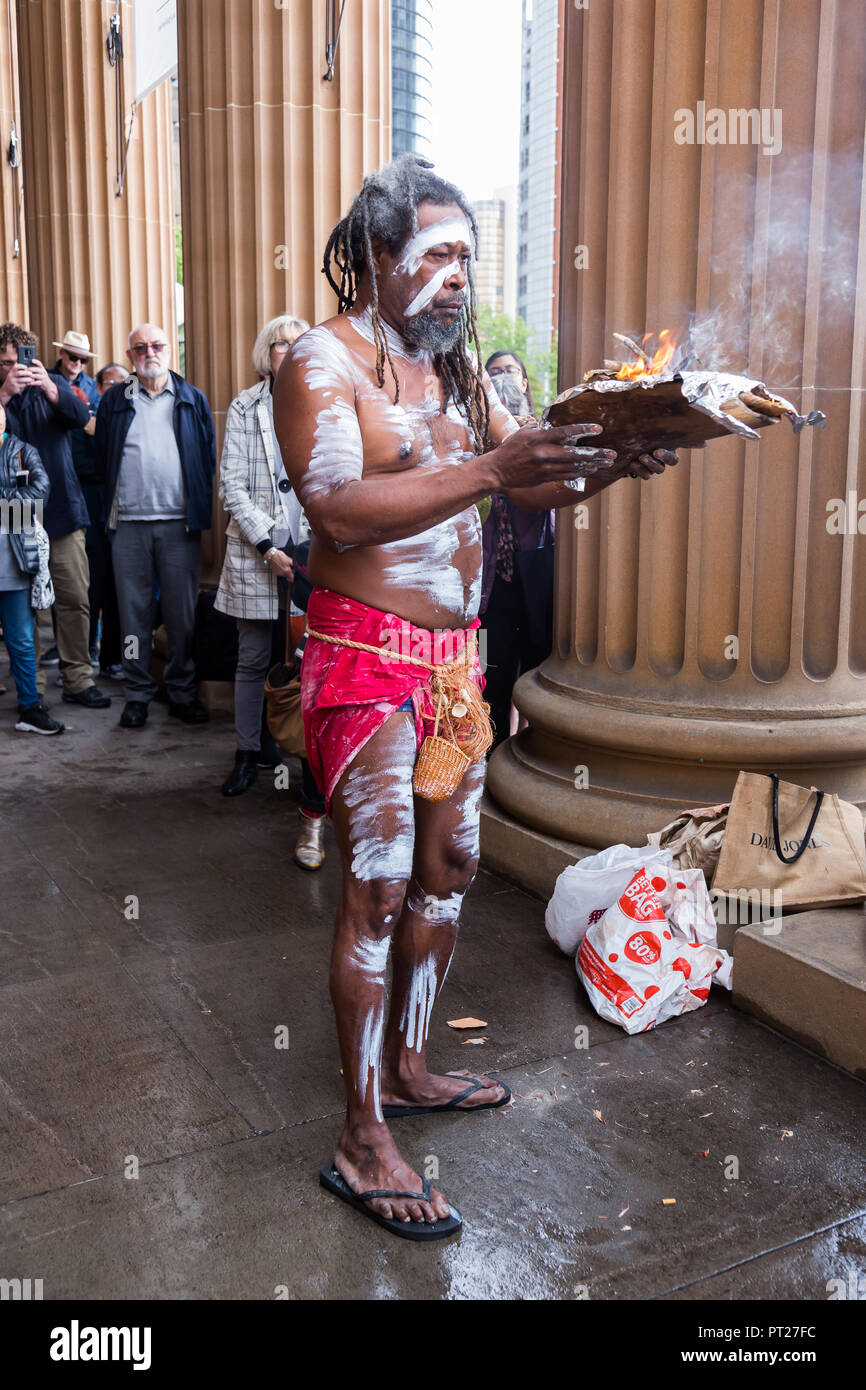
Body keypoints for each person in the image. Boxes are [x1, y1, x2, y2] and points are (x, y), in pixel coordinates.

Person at [275, 154, 678, 1240]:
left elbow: (525, 475)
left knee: (452, 867)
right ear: (372, 256)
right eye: (436, 254)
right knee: (377, 882)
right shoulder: (322, 360)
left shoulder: (461, 376)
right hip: (363, 658)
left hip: (456, 666)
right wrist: (502, 473)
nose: (458, 277)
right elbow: (338, 511)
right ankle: (361, 1138)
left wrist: (609, 456)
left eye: (468, 256)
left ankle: (407, 1063)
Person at [214, 313, 329, 870]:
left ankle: (304, 764)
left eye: (296, 342)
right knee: (255, 656)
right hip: (261, 552)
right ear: (267, 352)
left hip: (317, 554)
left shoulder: (325, 397)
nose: (287, 350)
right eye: (279, 343)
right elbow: (231, 483)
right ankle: (246, 752)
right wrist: (268, 545)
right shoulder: (244, 405)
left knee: (310, 663)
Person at [93, 324, 216, 728]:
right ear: (130, 356)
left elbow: (206, 460)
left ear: (169, 351)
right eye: (141, 347)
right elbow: (102, 458)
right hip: (127, 525)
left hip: (179, 526)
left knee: (181, 616)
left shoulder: (191, 399)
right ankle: (137, 693)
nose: (150, 352)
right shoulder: (114, 402)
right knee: (133, 617)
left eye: (157, 345)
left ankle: (181, 691)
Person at [0, 323, 110, 709]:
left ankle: (79, 679)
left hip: (62, 508)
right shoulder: (1, 396)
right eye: (5, 363)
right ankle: (33, 688)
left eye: (19, 361)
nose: (14, 368)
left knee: (75, 597)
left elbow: (81, 416)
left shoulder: (54, 386)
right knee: (21, 605)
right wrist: (4, 395)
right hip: (13, 514)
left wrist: (47, 386)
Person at [480, 349, 553, 748]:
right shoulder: (475, 435)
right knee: (492, 674)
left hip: (535, 577)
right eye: (494, 373)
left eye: (510, 371)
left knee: (537, 671)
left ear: (525, 382)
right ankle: (490, 764)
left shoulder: (543, 431)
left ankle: (531, 756)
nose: (503, 377)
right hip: (492, 591)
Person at [0, 398, 64, 733]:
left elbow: (39, 498)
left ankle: (30, 708)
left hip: (14, 561)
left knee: (22, 640)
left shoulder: (23, 451)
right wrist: (11, 503)